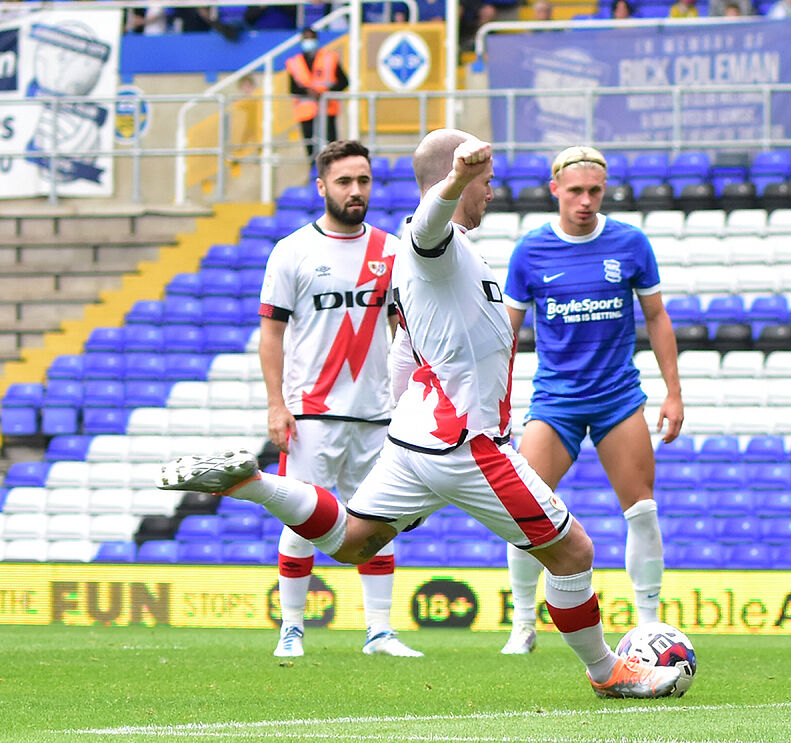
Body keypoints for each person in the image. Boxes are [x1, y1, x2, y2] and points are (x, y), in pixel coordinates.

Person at [161, 129, 682, 700]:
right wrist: (456, 178)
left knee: (355, 541)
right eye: (485, 183)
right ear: (453, 183)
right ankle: (608, 672)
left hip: (416, 438)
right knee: (574, 551)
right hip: (466, 443)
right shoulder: (430, 242)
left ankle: (252, 484)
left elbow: (404, 351)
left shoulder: (441, 257)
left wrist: (400, 417)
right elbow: (429, 227)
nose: (491, 192)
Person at [497, 147, 684, 656]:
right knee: (524, 511)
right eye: (576, 190)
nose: (585, 200)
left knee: (641, 509)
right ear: (555, 189)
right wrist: (497, 400)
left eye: (595, 191)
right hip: (555, 400)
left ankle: (648, 626)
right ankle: (522, 622)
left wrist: (673, 392)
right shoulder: (530, 251)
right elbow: (507, 334)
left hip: (617, 398)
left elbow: (657, 317)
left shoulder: (630, 243)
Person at [256, 140, 421, 659]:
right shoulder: (292, 250)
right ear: (321, 186)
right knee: (301, 521)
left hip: (378, 416)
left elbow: (404, 332)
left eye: (363, 180)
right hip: (312, 415)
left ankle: (379, 632)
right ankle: (291, 630)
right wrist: (276, 404)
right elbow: (271, 333)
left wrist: (409, 400)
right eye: (345, 181)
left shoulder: (392, 250)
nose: (355, 190)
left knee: (379, 523)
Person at [286, 27, 349, 163]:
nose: (308, 41)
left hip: (327, 109)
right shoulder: (294, 63)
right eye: (306, 38)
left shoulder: (329, 59)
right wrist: (308, 91)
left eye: (311, 38)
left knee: (332, 148)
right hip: (306, 112)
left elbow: (344, 81)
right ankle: (313, 171)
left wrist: (325, 93)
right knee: (311, 151)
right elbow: (292, 88)